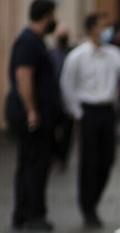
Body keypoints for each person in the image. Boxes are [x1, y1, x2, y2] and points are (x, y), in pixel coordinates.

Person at [59, 13, 120, 228]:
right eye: (103, 26)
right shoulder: (77, 56)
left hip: (108, 111)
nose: (107, 31)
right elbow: (67, 86)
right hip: (88, 111)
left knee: (108, 158)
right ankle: (87, 207)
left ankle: (94, 199)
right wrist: (77, 113)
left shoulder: (114, 54)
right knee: (89, 161)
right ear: (92, 28)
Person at [5, 0, 61, 232]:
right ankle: (32, 214)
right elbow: (24, 76)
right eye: (53, 16)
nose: (55, 21)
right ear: (46, 16)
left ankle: (22, 212)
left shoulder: (34, 40)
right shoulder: (28, 42)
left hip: (34, 113)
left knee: (28, 163)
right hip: (32, 116)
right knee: (35, 165)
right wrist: (31, 110)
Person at [49, 23, 74, 171]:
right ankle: (54, 154)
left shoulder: (73, 53)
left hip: (68, 100)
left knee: (67, 132)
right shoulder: (51, 53)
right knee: (52, 130)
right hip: (54, 99)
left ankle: (62, 158)